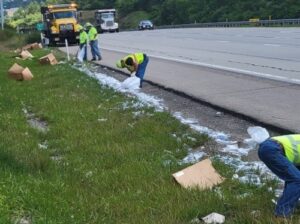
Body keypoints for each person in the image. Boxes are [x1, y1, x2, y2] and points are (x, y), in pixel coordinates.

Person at [258, 134, 300, 218]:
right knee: (297, 180)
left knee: (294, 178)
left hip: (270, 147)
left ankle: (286, 207)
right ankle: (282, 214)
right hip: (273, 150)